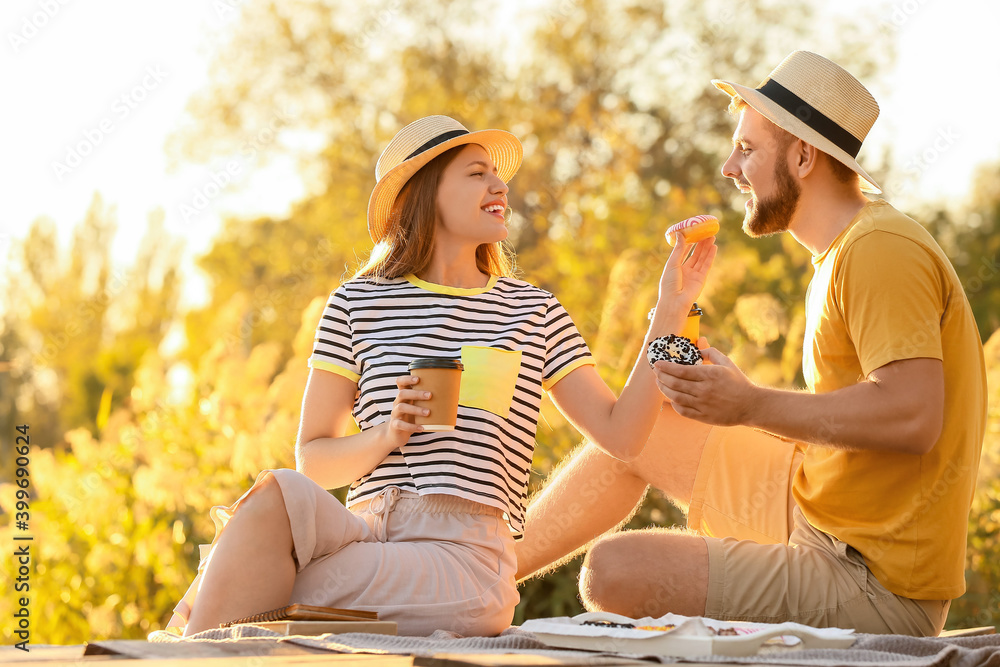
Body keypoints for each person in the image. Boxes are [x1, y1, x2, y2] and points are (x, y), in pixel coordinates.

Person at [166, 115, 716, 637]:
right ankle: (207, 628)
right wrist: (388, 433)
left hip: (463, 557)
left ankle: (190, 637)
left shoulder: (533, 310)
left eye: (497, 174)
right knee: (279, 491)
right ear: (424, 194)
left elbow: (622, 436)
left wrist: (671, 308)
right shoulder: (356, 304)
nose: (499, 186)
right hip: (362, 531)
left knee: (255, 586)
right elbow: (314, 460)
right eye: (477, 174)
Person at [515, 51, 987, 637]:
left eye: (746, 149)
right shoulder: (842, 252)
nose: (728, 167)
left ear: (804, 156)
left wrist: (750, 406)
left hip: (873, 579)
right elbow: (854, 415)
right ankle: (477, 579)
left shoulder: (880, 250)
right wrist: (677, 310)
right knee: (642, 427)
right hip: (817, 505)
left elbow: (913, 416)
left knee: (615, 571)